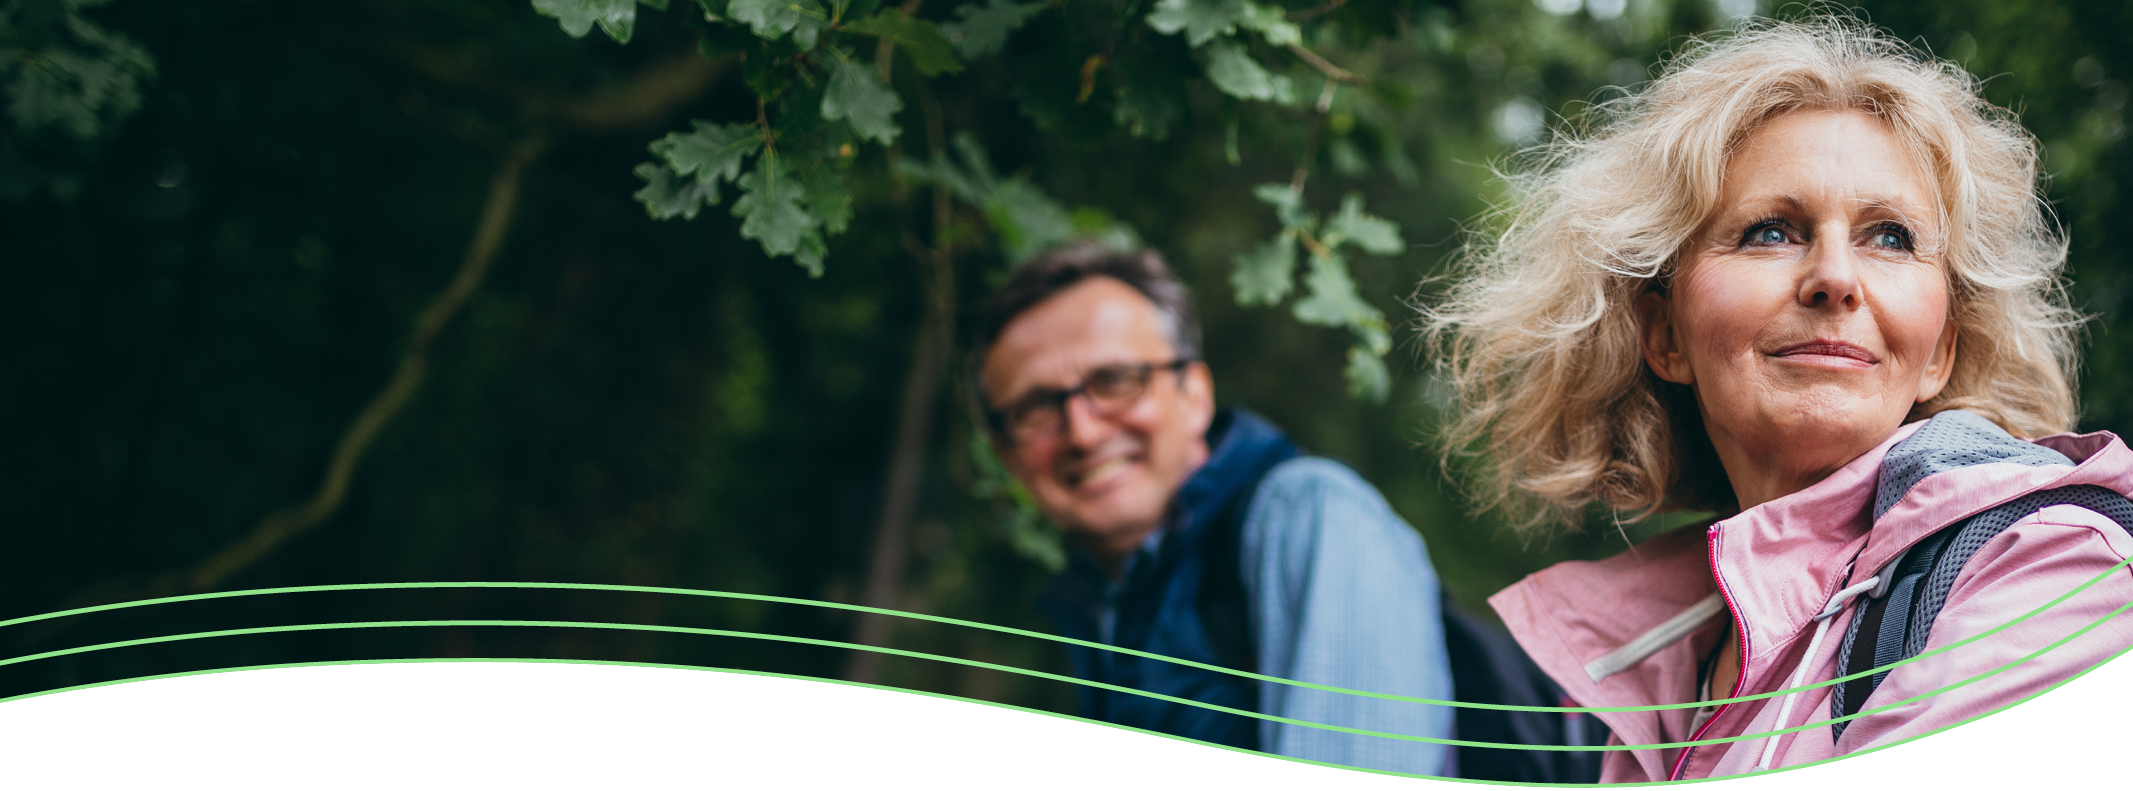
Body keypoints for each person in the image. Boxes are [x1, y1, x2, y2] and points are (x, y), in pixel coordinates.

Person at [1424, 17, 2133, 781]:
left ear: (1939, 353)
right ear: (1663, 335)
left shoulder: (2050, 567)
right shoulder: (1653, 674)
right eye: (1770, 231)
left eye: (1889, 237)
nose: (1834, 277)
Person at [970, 243, 1454, 775]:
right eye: (1035, 408)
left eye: (1114, 381)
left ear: (1195, 394)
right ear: (1005, 454)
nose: (1082, 432)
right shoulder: (1093, 614)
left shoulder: (1309, 519)